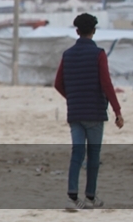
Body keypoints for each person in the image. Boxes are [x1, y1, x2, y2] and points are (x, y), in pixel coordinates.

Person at [53, 13, 124, 210]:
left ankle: (72, 197)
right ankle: (91, 196)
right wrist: (117, 111)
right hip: (95, 112)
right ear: (94, 31)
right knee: (93, 154)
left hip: (75, 113)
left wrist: (72, 98)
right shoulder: (99, 54)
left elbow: (58, 83)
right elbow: (106, 84)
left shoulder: (67, 55)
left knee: (77, 152)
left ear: (77, 31)